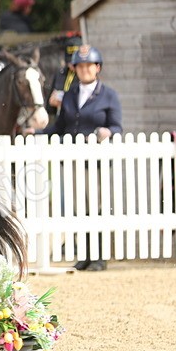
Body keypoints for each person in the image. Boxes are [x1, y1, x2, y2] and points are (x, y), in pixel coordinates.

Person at [48, 45, 123, 271]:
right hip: (72, 161)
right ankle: (85, 254)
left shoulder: (109, 95)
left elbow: (117, 127)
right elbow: (60, 127)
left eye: (89, 66)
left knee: (95, 207)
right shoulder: (69, 95)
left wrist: (107, 132)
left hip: (96, 162)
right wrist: (37, 133)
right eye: (80, 67)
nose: (84, 70)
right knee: (78, 208)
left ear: (97, 68)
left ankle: (99, 257)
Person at [47, 34, 84, 121]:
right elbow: (50, 107)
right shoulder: (60, 74)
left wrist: (63, 103)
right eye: (69, 61)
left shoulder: (86, 77)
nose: (72, 65)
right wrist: (51, 102)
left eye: (75, 62)